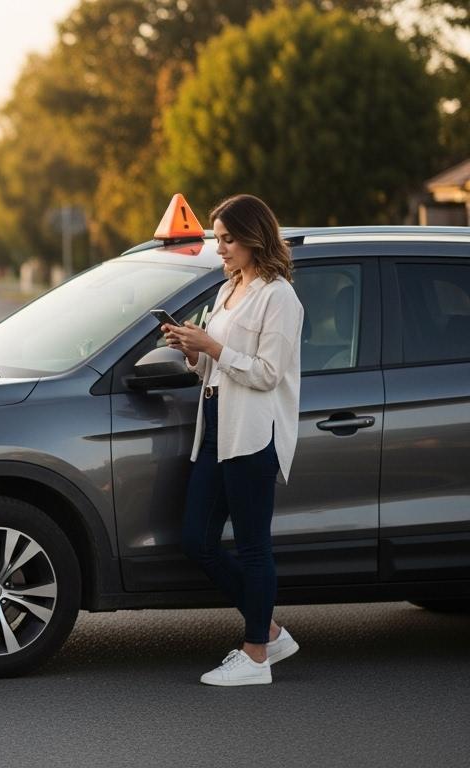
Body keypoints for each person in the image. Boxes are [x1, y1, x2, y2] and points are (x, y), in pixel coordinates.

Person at [162, 194, 304, 687]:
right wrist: (191, 350)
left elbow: (268, 373)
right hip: (217, 424)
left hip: (253, 432)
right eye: (216, 238)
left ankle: (256, 655)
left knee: (252, 547)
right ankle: (268, 629)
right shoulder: (230, 288)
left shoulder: (279, 296)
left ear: (253, 238)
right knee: (196, 540)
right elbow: (213, 365)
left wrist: (214, 347)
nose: (218, 248)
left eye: (226, 239)